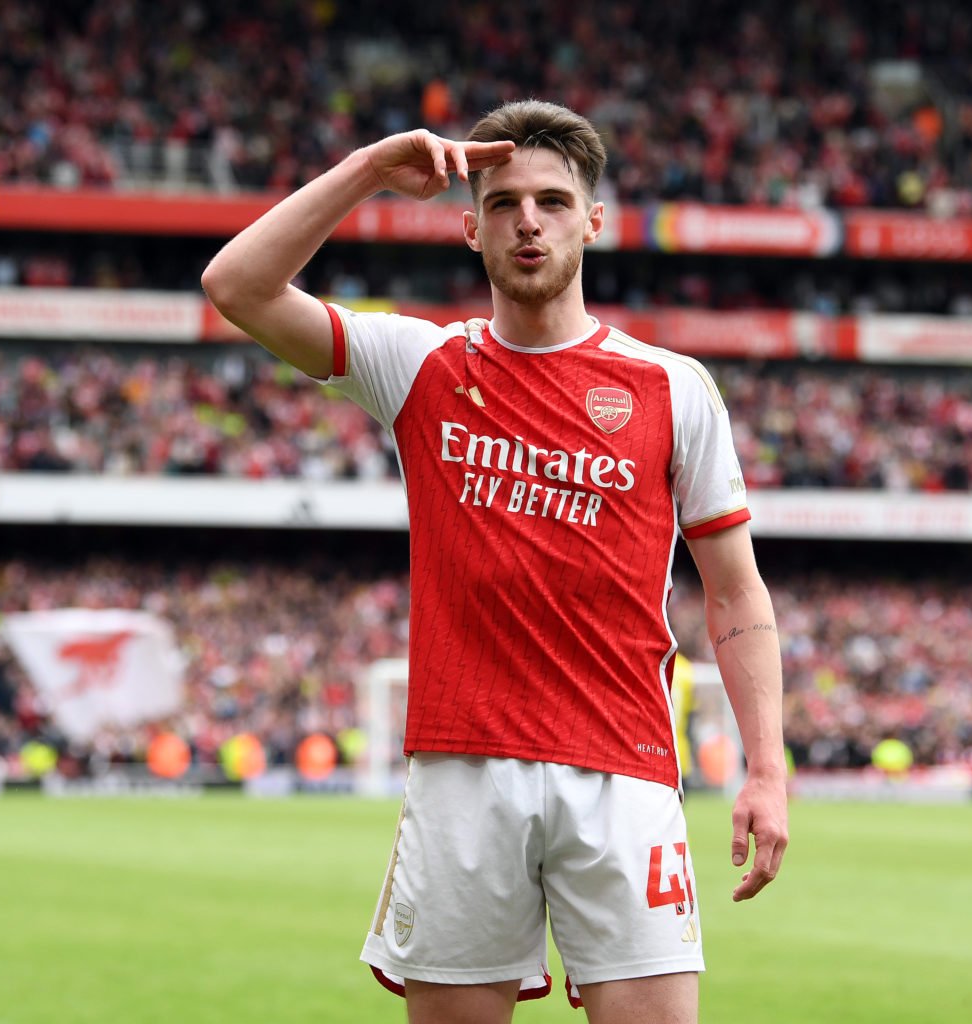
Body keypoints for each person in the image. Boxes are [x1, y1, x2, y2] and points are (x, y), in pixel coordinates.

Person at [202, 100, 788, 1024]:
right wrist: (365, 170)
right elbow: (236, 285)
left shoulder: (673, 389)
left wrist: (767, 769)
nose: (529, 220)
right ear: (470, 227)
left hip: (624, 771)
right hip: (463, 772)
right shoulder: (420, 364)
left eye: (554, 201)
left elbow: (736, 591)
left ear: (592, 222)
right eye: (506, 201)